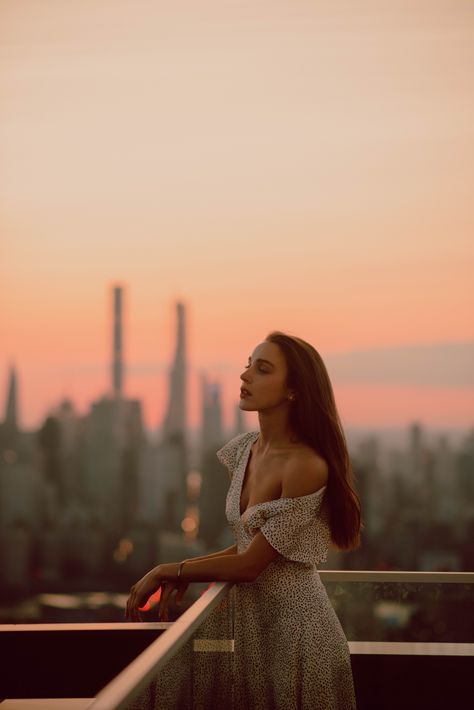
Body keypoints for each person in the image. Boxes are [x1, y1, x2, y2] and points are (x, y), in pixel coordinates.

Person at [126, 331, 361, 709]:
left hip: (299, 633)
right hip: (255, 631)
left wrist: (171, 569)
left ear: (293, 390)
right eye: (248, 365)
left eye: (262, 369)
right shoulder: (246, 449)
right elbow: (246, 546)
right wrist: (181, 570)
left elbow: (251, 564)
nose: (245, 376)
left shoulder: (304, 465)